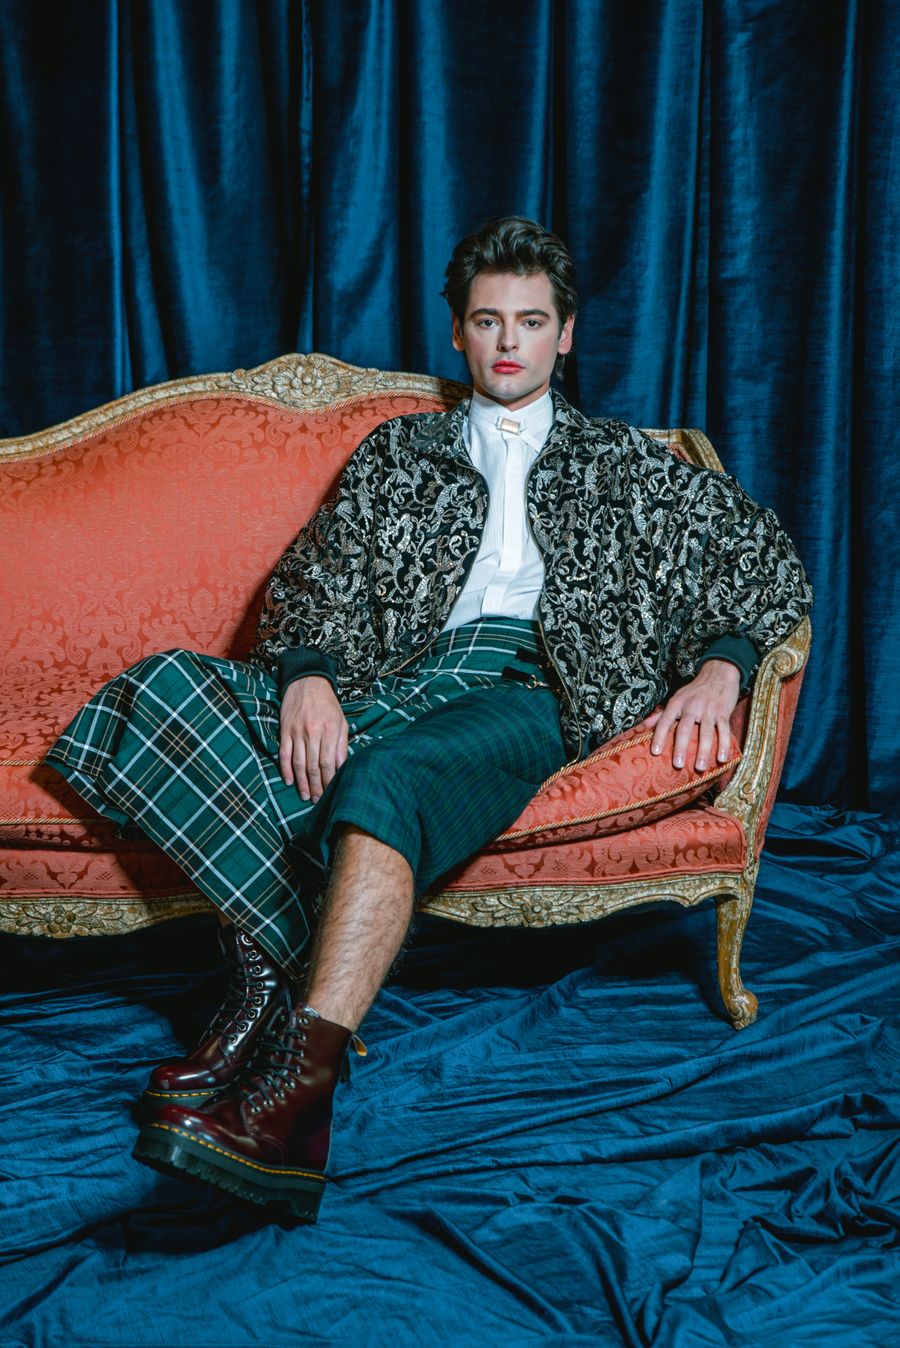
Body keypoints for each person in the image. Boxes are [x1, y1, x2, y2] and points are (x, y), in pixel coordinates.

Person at [47, 216, 812, 1222]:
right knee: (164, 690)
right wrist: (307, 676)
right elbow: (312, 579)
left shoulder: (629, 465)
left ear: (565, 334)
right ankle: (266, 988)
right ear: (457, 332)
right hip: (393, 679)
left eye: (530, 321)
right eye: (488, 320)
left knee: (387, 780)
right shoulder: (400, 453)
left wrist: (723, 666)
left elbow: (765, 560)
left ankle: (295, 1099)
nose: (508, 341)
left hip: (531, 691)